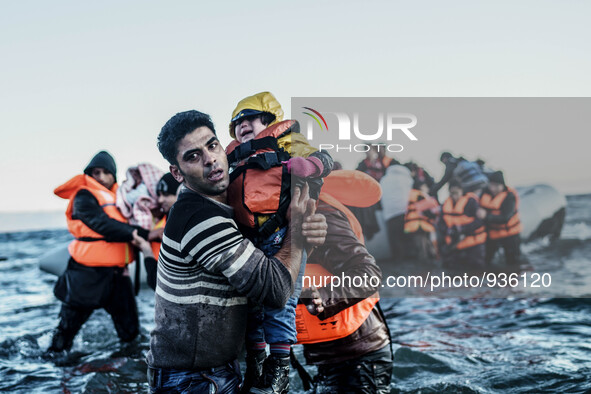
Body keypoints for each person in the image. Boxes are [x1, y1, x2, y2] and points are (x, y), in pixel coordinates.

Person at [144, 110, 327, 393]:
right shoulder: (199, 218)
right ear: (177, 173)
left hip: (215, 371)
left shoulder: (229, 212)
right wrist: (297, 232)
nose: (210, 159)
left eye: (212, 145)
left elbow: (249, 277)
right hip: (190, 380)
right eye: (193, 156)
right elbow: (275, 289)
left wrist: (305, 244)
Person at [225, 92, 333, 393]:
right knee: (252, 308)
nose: (243, 126)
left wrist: (308, 167)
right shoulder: (233, 154)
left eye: (250, 119)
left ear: (270, 120)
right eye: (237, 123)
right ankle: (256, 364)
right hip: (248, 240)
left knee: (280, 302)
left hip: (282, 233)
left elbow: (326, 159)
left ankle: (280, 369)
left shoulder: (289, 142)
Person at [49, 151, 158, 353]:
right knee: (65, 334)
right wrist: (146, 233)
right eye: (94, 172)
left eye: (104, 172)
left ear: (113, 176)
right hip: (86, 274)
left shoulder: (122, 199)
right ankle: (55, 371)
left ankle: (127, 375)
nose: (99, 176)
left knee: (131, 335)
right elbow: (102, 224)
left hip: (118, 276)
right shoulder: (84, 195)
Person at [296, 170, 393, 393]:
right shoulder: (272, 224)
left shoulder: (320, 214)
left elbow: (368, 273)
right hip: (327, 358)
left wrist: (321, 298)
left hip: (361, 358)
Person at [140, 172, 181, 291]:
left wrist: (146, 250)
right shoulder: (161, 220)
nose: (160, 199)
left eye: (166, 194)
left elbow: (160, 284)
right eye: (159, 194)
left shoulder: (180, 226)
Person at [477, 171, 523, 268]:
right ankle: (489, 281)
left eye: (496, 186)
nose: (493, 189)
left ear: (502, 185)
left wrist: (486, 216)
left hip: (510, 235)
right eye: (491, 185)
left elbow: (505, 218)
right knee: (486, 261)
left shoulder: (509, 197)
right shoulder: (484, 193)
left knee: (513, 263)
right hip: (492, 235)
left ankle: (513, 281)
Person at [437, 179, 486, 269]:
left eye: (456, 193)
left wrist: (461, 229)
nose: (454, 196)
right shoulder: (445, 204)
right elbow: (441, 224)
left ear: (461, 190)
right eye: (451, 193)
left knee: (475, 271)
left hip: (473, 244)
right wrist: (449, 231)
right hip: (454, 244)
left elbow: (479, 222)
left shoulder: (471, 202)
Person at [379, 164, 413, 262]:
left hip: (390, 215)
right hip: (405, 213)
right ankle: (409, 261)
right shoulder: (407, 179)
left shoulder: (384, 180)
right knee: (406, 237)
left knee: (395, 239)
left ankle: (398, 261)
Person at [403, 181, 438, 261]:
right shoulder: (420, 195)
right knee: (423, 248)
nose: (427, 188)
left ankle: (422, 266)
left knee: (420, 247)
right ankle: (424, 268)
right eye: (426, 186)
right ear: (421, 187)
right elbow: (427, 211)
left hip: (412, 226)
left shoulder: (411, 195)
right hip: (419, 225)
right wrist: (433, 217)